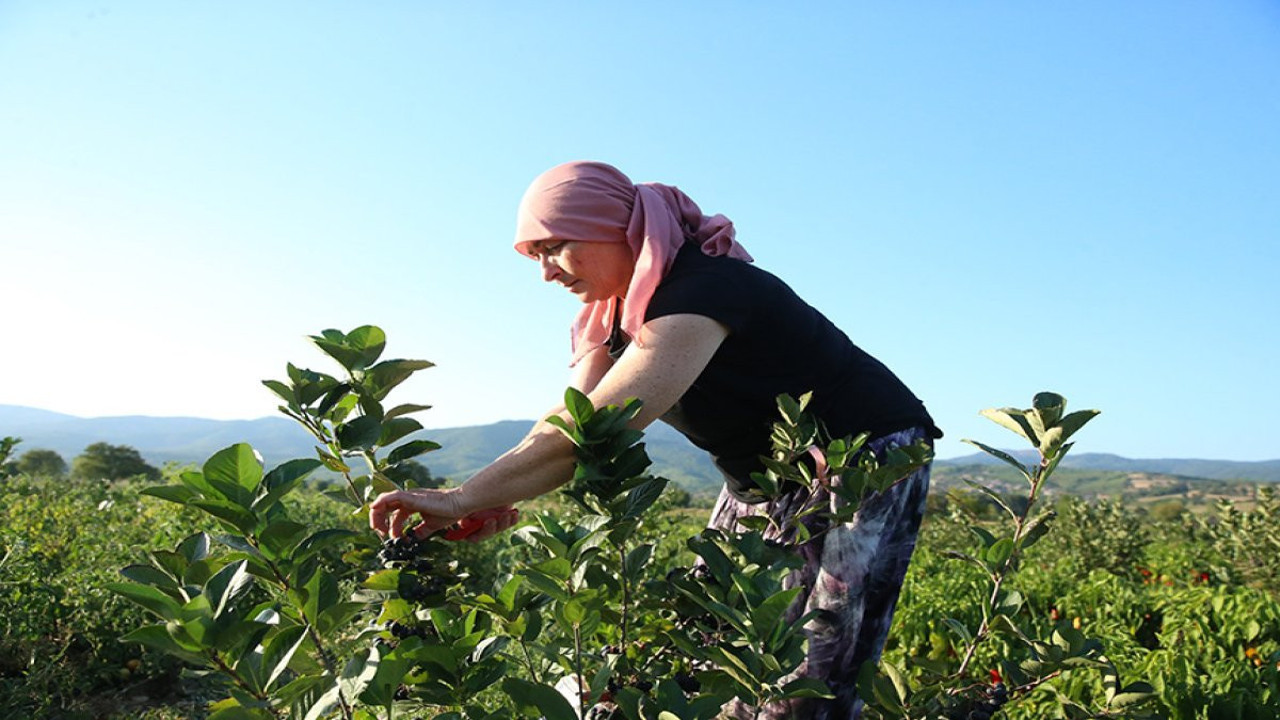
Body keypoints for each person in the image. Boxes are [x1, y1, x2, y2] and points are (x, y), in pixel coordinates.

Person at [370, 160, 941, 719]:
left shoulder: (703, 290)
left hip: (862, 457)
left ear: (618, 229)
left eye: (555, 246)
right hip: (762, 480)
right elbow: (566, 422)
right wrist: (488, 495)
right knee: (708, 641)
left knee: (812, 665)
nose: (546, 272)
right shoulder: (609, 318)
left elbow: (593, 430)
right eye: (535, 256)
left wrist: (457, 499)